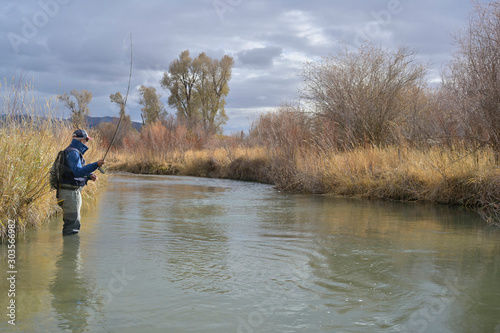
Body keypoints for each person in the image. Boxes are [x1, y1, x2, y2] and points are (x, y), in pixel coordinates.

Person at [58, 129, 104, 236]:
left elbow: (71, 172)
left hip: (67, 192)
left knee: (71, 224)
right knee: (72, 227)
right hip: (70, 194)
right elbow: (77, 172)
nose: (87, 143)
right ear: (82, 140)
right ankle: (71, 252)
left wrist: (89, 175)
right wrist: (95, 164)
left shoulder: (71, 151)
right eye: (87, 140)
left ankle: (70, 250)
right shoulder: (73, 152)